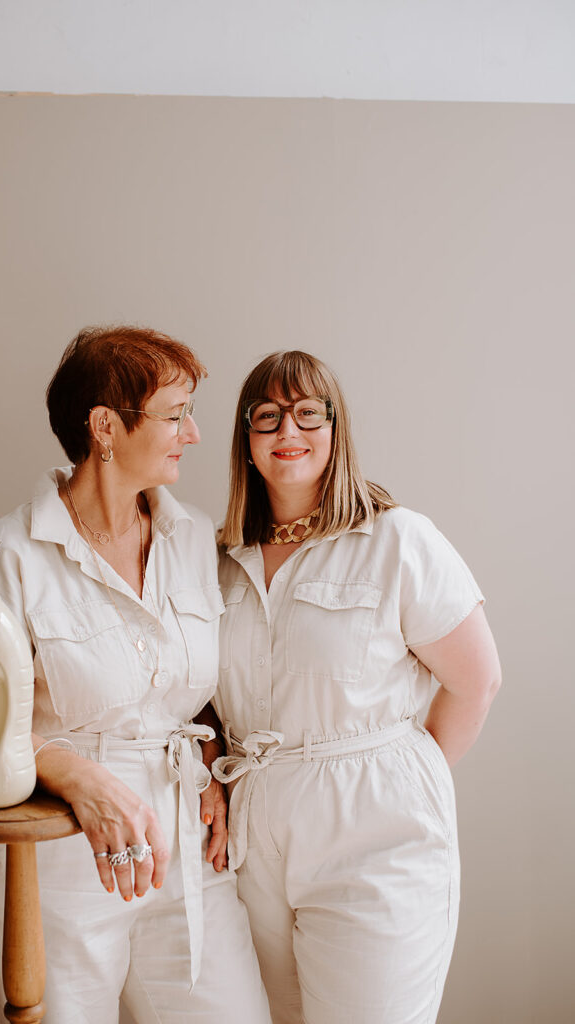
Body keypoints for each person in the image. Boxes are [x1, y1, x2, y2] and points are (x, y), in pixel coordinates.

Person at [0, 326, 270, 1024]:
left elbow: (185, 688)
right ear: (105, 427)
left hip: (187, 855)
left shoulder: (192, 539)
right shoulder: (10, 553)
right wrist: (75, 775)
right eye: (175, 414)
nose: (193, 433)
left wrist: (209, 747)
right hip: (56, 860)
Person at [212, 350, 502, 1024]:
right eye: (267, 416)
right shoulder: (221, 559)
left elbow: (478, 681)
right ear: (247, 439)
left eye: (307, 413)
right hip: (254, 841)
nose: (288, 430)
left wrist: (399, 777)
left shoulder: (396, 539)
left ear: (335, 429)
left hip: (373, 831)